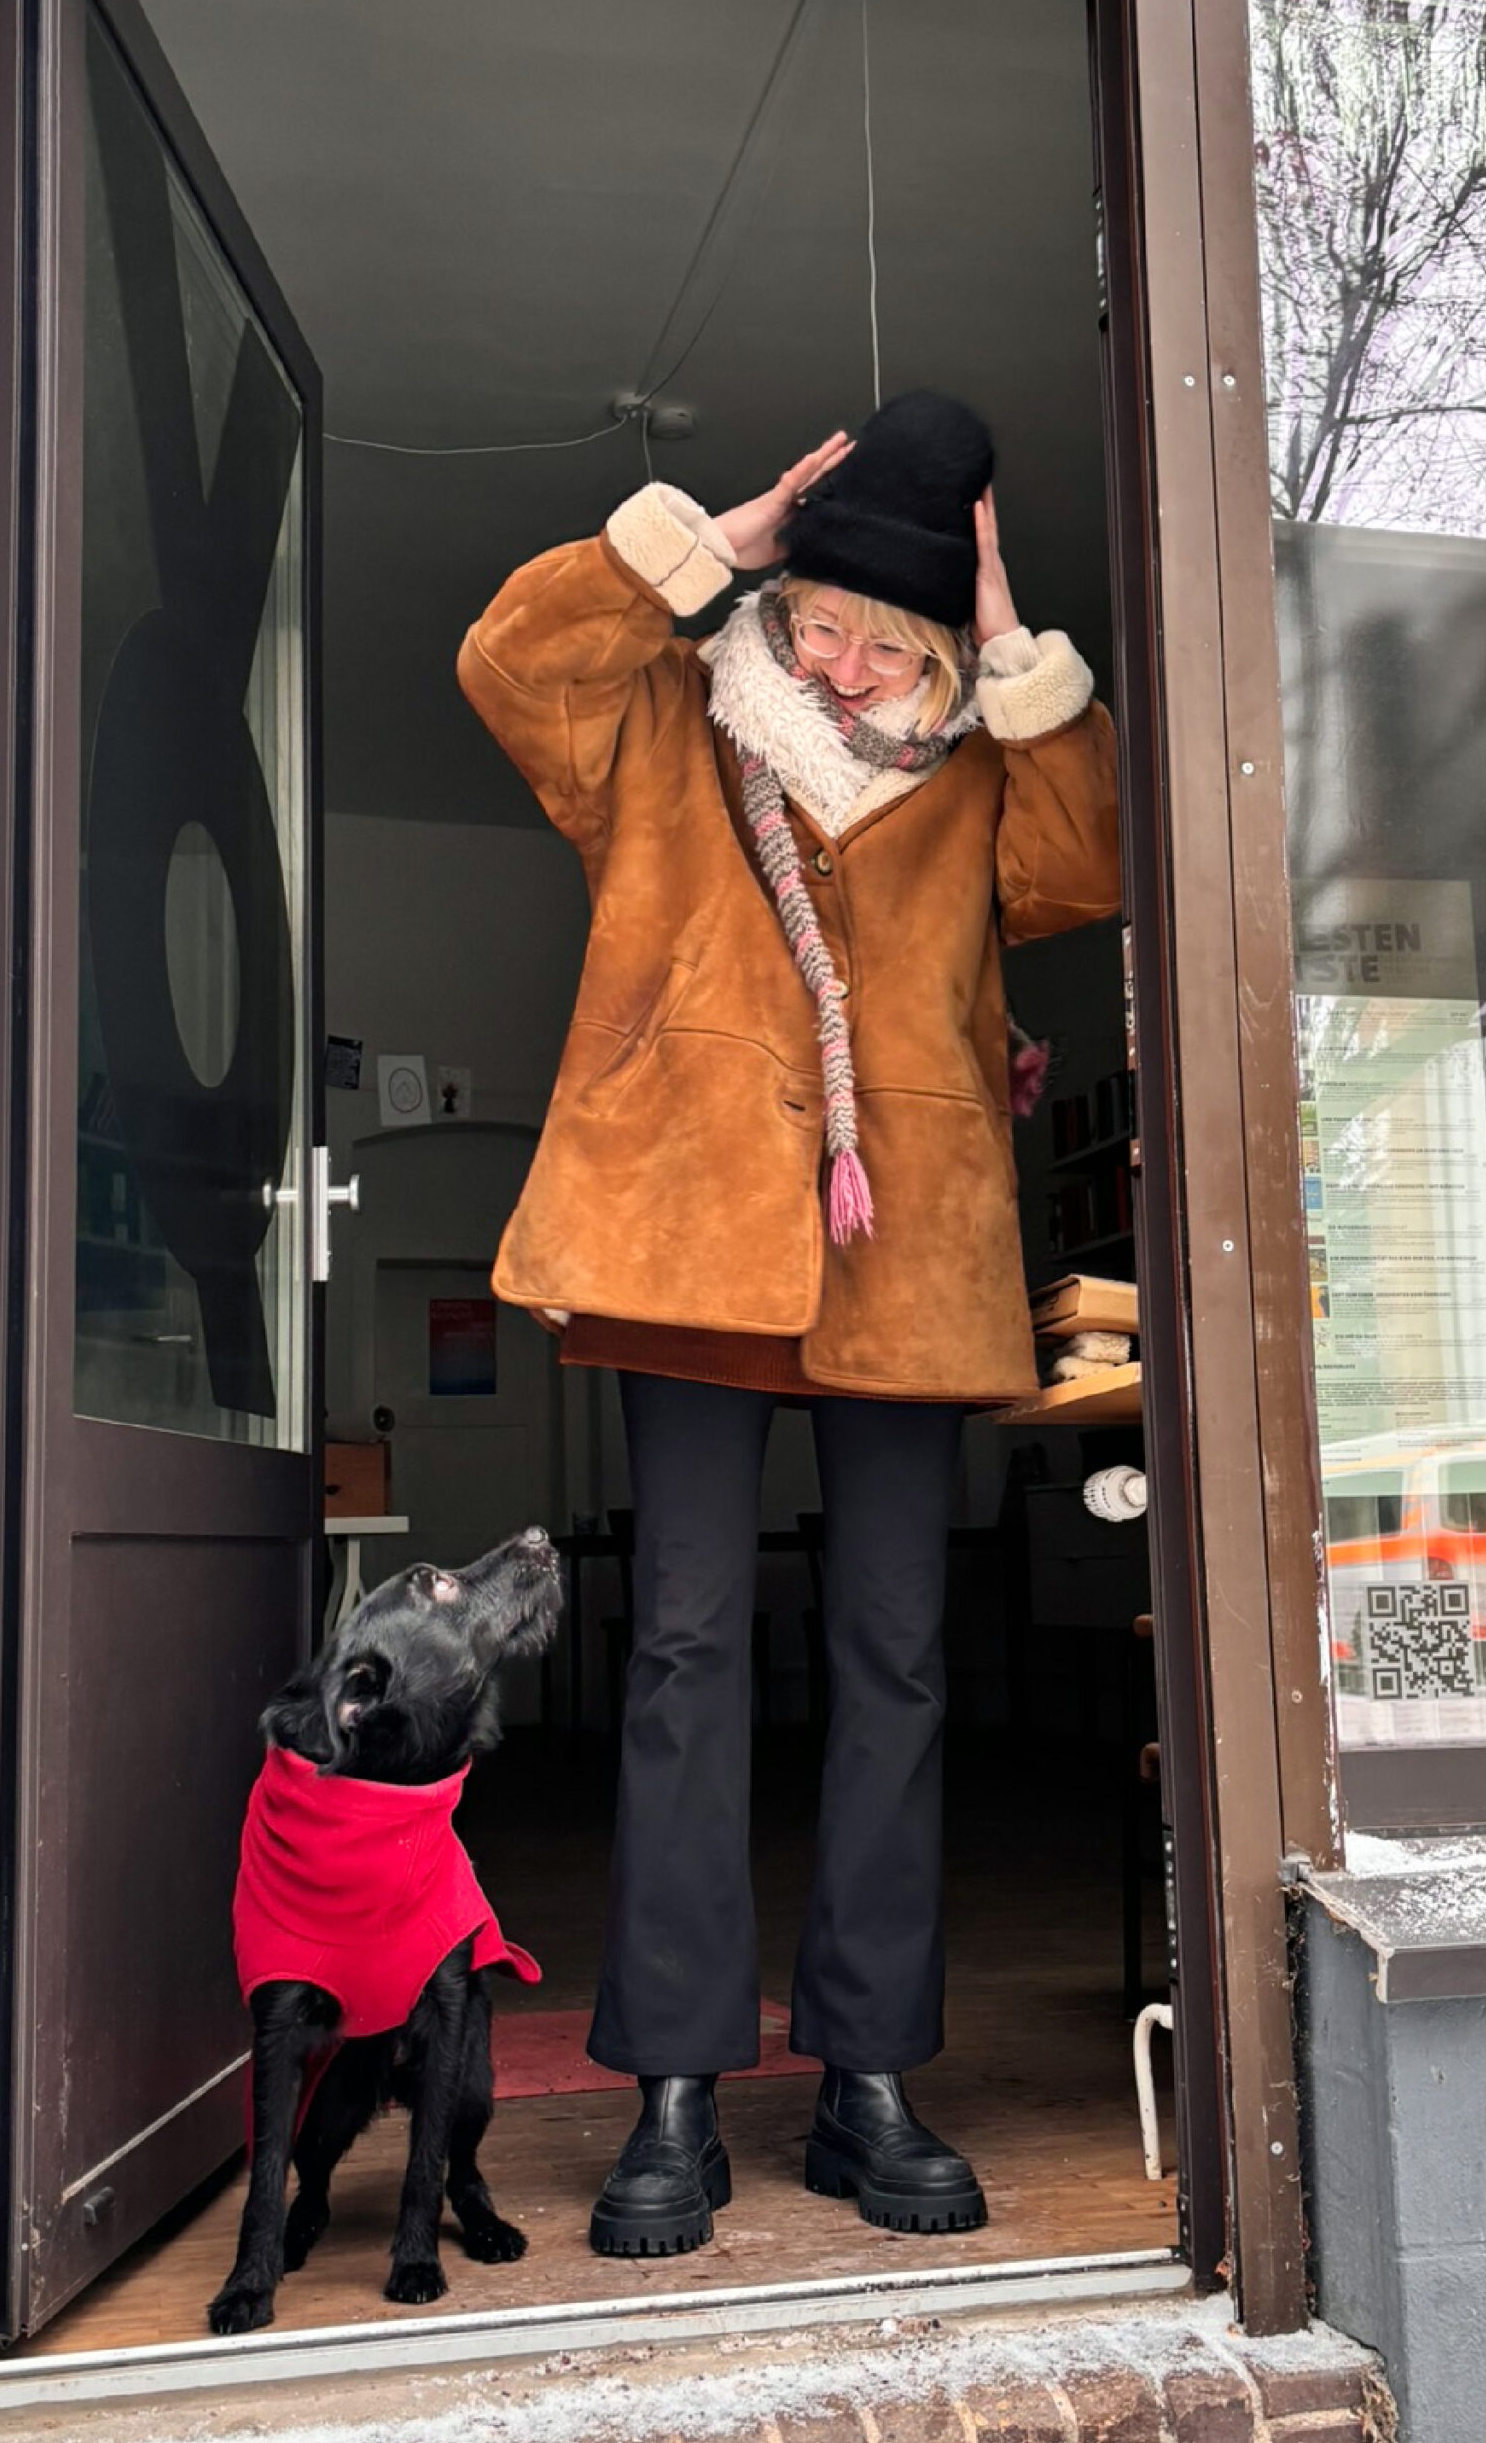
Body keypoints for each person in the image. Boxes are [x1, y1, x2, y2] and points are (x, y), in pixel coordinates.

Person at [458, 390, 1120, 2256]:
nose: (834, 662)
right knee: (682, 1654)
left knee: (896, 1661)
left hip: (904, 1258)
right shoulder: (673, 714)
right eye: (816, 620)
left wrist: (1012, 646)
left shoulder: (976, 769)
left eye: (881, 642)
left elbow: (1089, 867)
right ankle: (673, 2085)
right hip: (689, 1244)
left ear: (936, 652)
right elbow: (510, 666)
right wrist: (718, 542)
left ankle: (868, 2076)